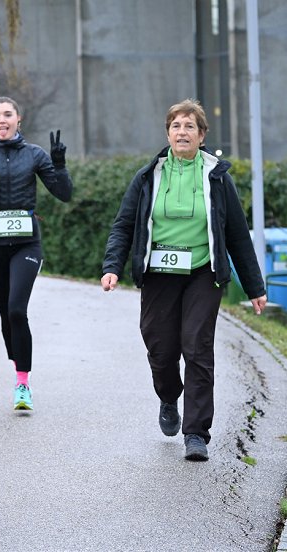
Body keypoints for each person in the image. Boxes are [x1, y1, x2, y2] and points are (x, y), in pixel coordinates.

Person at [101, 98, 267, 461]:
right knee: (161, 350)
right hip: (159, 272)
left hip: (203, 273)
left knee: (197, 346)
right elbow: (124, 225)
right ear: (167, 134)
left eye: (190, 126)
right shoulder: (148, 177)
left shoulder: (217, 177)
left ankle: (196, 433)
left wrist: (255, 287)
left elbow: (238, 235)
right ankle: (168, 396)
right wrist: (112, 266)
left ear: (202, 135)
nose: (182, 132)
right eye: (176, 126)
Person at [0, 96, 73, 410]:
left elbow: (64, 194)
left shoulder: (34, 154)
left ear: (18, 119)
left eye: (8, 114)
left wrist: (59, 165)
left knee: (17, 310)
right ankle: (17, 359)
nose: (2, 120)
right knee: (6, 313)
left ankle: (23, 383)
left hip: (25, 244)